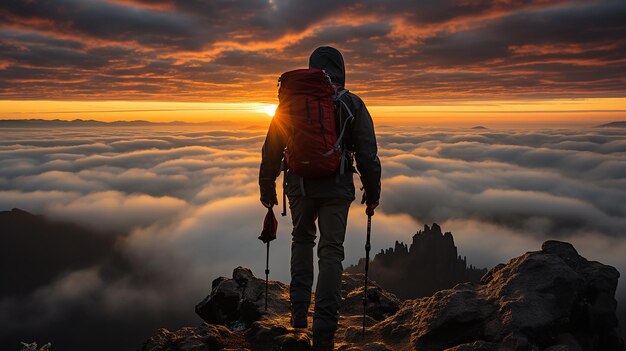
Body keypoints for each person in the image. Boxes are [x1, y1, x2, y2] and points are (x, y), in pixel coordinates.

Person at [258, 46, 381, 350]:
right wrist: (372, 194)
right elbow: (367, 154)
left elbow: (271, 148)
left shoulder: (292, 103)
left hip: (299, 185)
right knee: (331, 252)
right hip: (336, 187)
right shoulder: (351, 103)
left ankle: (299, 314)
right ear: (341, 70)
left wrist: (267, 189)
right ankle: (324, 331)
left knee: (301, 240)